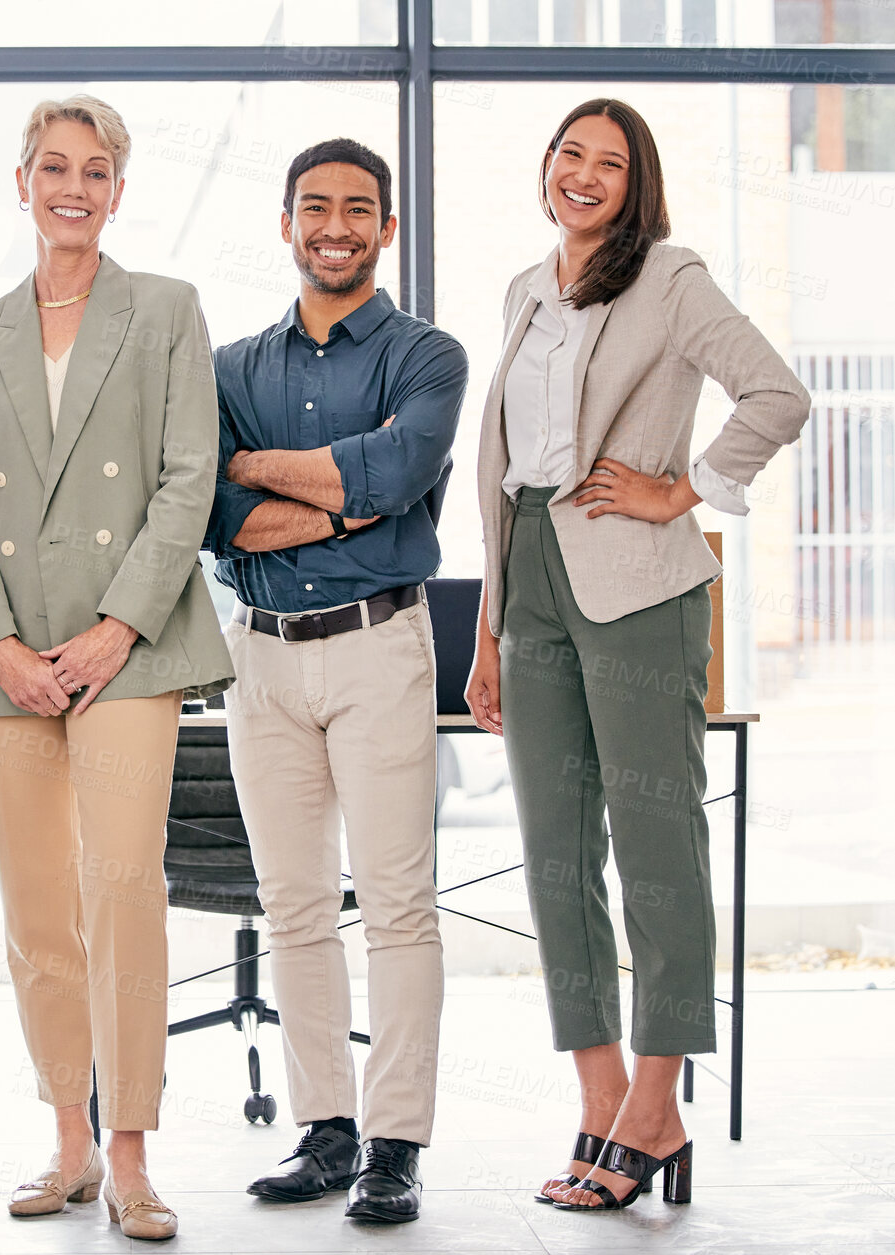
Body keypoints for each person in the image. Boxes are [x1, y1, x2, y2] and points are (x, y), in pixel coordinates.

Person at [463, 98, 810, 1212]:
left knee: (657, 847)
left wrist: (684, 490)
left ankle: (658, 1104)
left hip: (639, 581)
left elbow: (778, 393)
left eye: (609, 163)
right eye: (569, 152)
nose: (583, 174)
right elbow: (505, 470)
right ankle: (600, 1094)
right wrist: (488, 625)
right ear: (547, 164)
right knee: (554, 855)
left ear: (636, 182)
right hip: (531, 580)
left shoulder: (672, 279)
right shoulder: (525, 290)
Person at [0, 94, 232, 1241]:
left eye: (95, 169)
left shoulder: (165, 311)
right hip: (7, 656)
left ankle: (135, 1152)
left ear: (117, 191)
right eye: (54, 166)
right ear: (22, 184)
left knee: (121, 890)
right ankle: (68, 1140)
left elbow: (187, 478)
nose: (74, 184)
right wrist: (2, 643)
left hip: (128, 651)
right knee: (36, 904)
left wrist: (115, 629)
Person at [204, 138, 467, 1226]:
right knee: (294, 904)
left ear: (386, 228)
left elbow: (401, 476)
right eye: (316, 206)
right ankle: (326, 1128)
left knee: (399, 904)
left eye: (359, 209)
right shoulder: (227, 369)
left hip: (379, 647)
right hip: (259, 654)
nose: (336, 225)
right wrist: (344, 495)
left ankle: (395, 1140)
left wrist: (260, 468)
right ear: (285, 223)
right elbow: (212, 518)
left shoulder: (430, 356)